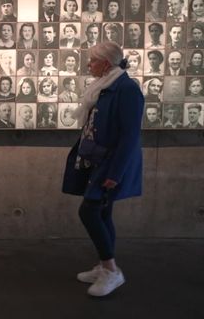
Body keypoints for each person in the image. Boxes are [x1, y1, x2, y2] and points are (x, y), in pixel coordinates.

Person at [62, 41, 143, 297]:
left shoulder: (126, 89)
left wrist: (114, 174)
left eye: (92, 61)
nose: (89, 65)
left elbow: (129, 136)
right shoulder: (104, 86)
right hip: (96, 159)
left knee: (89, 211)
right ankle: (103, 265)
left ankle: (111, 270)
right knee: (103, 213)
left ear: (106, 63)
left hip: (110, 164)